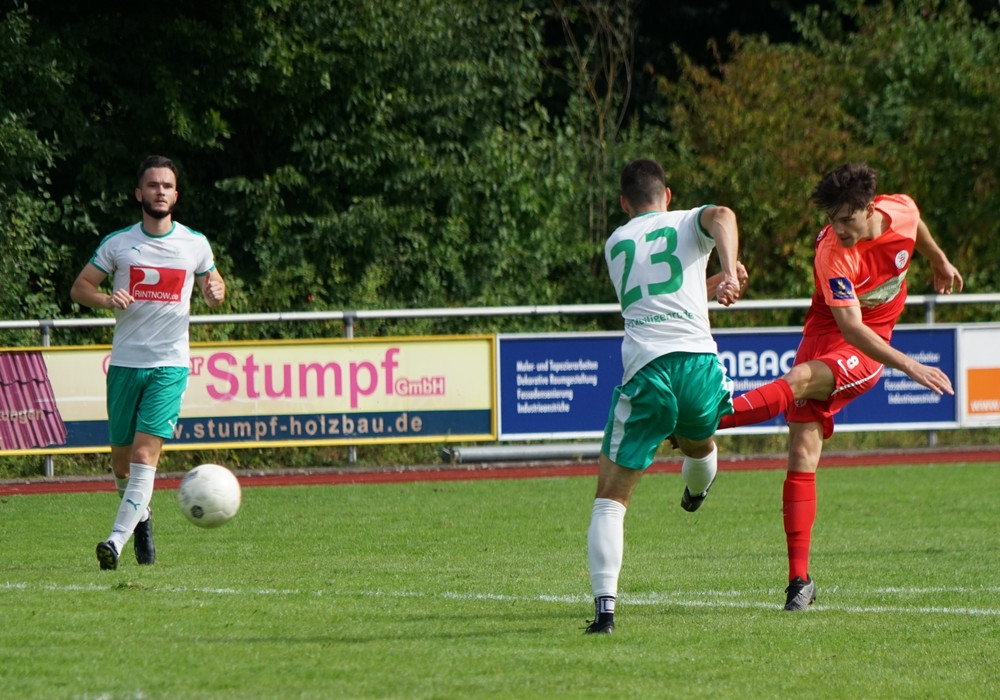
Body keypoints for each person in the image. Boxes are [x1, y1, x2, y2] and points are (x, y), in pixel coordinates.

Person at [717, 162, 963, 610]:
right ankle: (799, 581)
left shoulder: (900, 211)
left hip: (870, 346)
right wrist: (912, 365)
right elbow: (847, 325)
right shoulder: (833, 252)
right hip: (829, 331)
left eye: (847, 219)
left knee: (798, 380)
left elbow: (916, 225)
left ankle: (707, 420)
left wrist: (938, 259)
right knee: (800, 453)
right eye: (832, 220)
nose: (839, 228)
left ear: (870, 208)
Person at [586, 158, 744, 634]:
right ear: (668, 195)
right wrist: (729, 273)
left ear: (623, 203)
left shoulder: (615, 243)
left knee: (610, 499)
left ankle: (605, 612)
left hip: (648, 370)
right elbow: (724, 216)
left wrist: (716, 280)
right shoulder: (685, 221)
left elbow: (662, 295)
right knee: (700, 446)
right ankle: (696, 489)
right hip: (697, 366)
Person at [71, 155, 226, 570]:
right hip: (125, 364)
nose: (160, 191)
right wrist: (107, 299)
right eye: (153, 185)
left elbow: (214, 284)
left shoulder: (195, 243)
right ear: (139, 193)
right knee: (121, 464)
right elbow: (80, 287)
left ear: (176, 195)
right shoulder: (119, 243)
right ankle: (141, 516)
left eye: (167, 186)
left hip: (169, 364)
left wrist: (215, 291)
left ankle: (114, 542)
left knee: (143, 457)